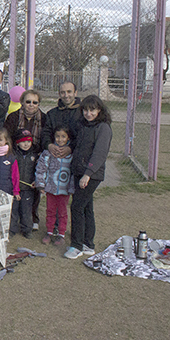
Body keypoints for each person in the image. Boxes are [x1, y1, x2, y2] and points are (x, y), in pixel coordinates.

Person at [64, 95, 112, 260]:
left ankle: (76, 245)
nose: (88, 113)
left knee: (76, 207)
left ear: (99, 110)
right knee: (86, 207)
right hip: (78, 171)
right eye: (85, 110)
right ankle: (88, 244)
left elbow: (99, 153)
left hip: (90, 175)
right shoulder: (83, 126)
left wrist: (87, 174)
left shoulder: (103, 128)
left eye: (92, 110)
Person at [4, 88, 47, 230]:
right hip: (17, 154)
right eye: (28, 101)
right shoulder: (13, 117)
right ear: (22, 102)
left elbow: (46, 137)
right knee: (16, 185)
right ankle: (13, 217)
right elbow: (7, 136)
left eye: (35, 102)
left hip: (36, 155)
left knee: (33, 187)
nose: (31, 105)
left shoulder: (44, 118)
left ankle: (32, 217)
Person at [36, 126, 73, 246]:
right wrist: (41, 184)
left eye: (63, 136)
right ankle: (49, 232)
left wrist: (72, 187)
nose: (60, 139)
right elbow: (41, 169)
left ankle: (61, 233)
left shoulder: (70, 154)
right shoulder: (48, 153)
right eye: (58, 136)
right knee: (50, 211)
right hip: (51, 188)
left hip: (64, 189)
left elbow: (73, 172)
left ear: (68, 138)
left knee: (62, 212)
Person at [41, 81, 83, 159]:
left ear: (75, 93)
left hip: (76, 156)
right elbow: (46, 132)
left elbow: (83, 135)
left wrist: (70, 148)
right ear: (59, 94)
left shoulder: (82, 113)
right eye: (63, 92)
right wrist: (49, 145)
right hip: (55, 155)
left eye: (69, 92)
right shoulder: (51, 114)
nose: (66, 95)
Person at [12, 129, 36, 239]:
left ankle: (27, 229)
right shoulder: (13, 155)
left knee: (26, 210)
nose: (26, 144)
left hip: (28, 188)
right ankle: (12, 229)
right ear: (17, 142)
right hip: (14, 187)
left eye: (28, 141)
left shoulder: (34, 155)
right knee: (13, 210)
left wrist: (36, 181)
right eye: (22, 141)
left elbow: (38, 170)